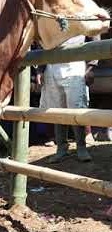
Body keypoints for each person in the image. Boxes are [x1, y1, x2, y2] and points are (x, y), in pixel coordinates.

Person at [36, 35, 99, 163]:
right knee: (56, 109)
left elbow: (94, 37)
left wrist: (91, 66)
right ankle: (61, 148)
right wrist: (40, 70)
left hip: (75, 63)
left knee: (76, 108)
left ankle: (81, 147)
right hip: (52, 65)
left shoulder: (81, 14)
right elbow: (41, 39)